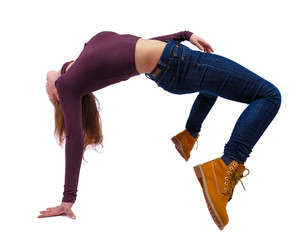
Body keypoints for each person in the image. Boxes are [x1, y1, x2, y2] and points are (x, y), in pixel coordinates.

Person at [40, 30, 281, 230]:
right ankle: (226, 166)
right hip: (178, 64)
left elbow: (137, 45)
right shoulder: (67, 84)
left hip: (173, 64)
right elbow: (74, 137)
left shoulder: (77, 65)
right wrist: (68, 198)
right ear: (59, 94)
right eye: (50, 96)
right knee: (270, 96)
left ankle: (188, 137)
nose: (44, 86)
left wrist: (184, 35)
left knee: (211, 87)